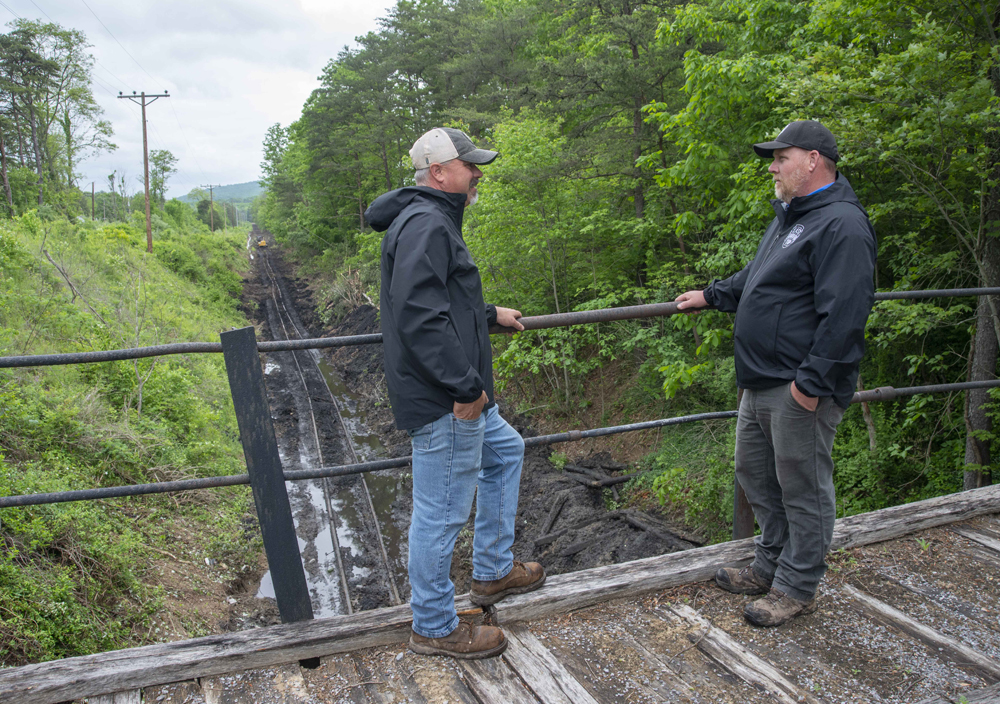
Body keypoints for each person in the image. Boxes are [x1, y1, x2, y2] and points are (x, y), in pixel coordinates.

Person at [675, 120, 876, 627]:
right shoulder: (793, 216)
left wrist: (810, 386)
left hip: (798, 386)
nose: (772, 166)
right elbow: (760, 276)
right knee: (757, 477)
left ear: (812, 160)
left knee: (803, 488)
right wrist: (712, 295)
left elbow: (846, 315)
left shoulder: (842, 225)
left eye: (780, 158)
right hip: (761, 379)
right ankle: (769, 565)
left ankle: (796, 585)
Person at [364, 128, 546, 658]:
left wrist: (488, 315)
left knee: (507, 451)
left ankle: (491, 571)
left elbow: (439, 296)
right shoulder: (426, 223)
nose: (478, 173)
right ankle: (435, 625)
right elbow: (420, 316)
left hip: (460, 394)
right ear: (439, 172)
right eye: (469, 165)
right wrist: (466, 388)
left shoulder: (430, 219)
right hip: (448, 398)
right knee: (441, 512)